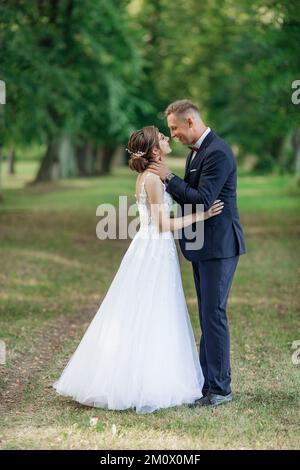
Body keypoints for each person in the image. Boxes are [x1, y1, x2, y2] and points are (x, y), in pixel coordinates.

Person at [53, 125, 224, 413]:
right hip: (154, 248)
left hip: (153, 247)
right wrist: (201, 214)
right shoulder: (153, 181)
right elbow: (162, 224)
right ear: (155, 151)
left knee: (151, 309)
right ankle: (142, 382)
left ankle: (146, 373)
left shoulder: (152, 176)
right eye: (162, 137)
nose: (167, 138)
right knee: (152, 310)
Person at [148, 100, 246, 407]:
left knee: (213, 313)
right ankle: (208, 382)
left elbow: (202, 200)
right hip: (202, 244)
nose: (172, 134)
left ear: (190, 122)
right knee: (206, 312)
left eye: (175, 128)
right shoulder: (197, 152)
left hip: (219, 246)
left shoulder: (217, 152)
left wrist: (168, 177)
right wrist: (173, 181)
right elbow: (190, 195)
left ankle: (219, 389)